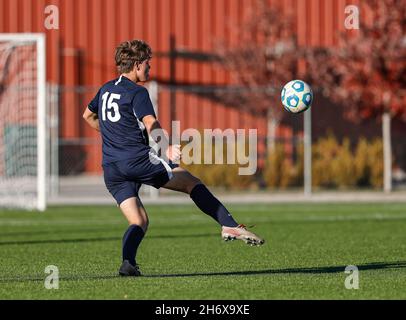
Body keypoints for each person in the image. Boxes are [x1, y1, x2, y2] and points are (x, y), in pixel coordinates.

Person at [83, 40, 264, 277]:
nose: (150, 69)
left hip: (111, 169)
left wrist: (114, 135)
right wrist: (166, 148)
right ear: (137, 65)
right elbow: (151, 123)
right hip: (137, 161)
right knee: (191, 182)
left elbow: (87, 116)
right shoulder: (137, 92)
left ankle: (128, 264)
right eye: (148, 64)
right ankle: (228, 224)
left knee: (139, 221)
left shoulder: (105, 88)